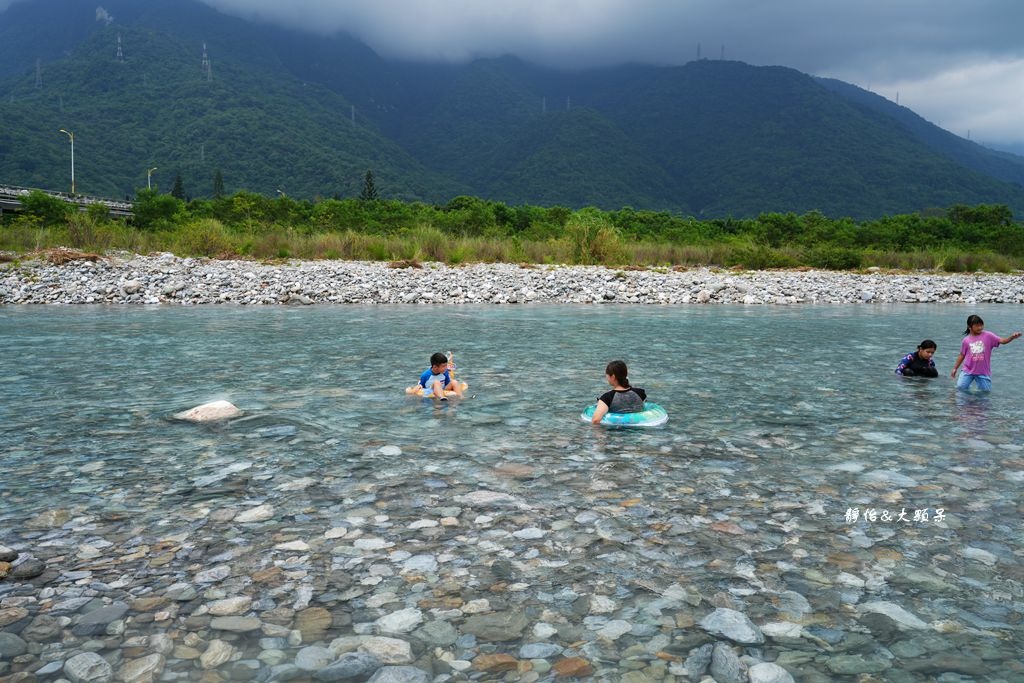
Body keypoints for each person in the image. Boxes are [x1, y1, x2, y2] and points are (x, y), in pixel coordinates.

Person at [950, 315, 1022, 392]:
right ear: (969, 327)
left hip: (982, 372)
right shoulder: (966, 340)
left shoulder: (988, 335)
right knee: (960, 389)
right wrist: (955, 368)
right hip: (967, 371)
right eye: (977, 326)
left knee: (985, 393)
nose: (980, 327)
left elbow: (1002, 341)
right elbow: (962, 355)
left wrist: (1012, 337)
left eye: (981, 325)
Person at [591, 360, 647, 424]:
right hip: (638, 431)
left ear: (613, 377)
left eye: (607, 375)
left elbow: (596, 420)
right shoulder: (641, 393)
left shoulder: (607, 398)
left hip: (614, 432)